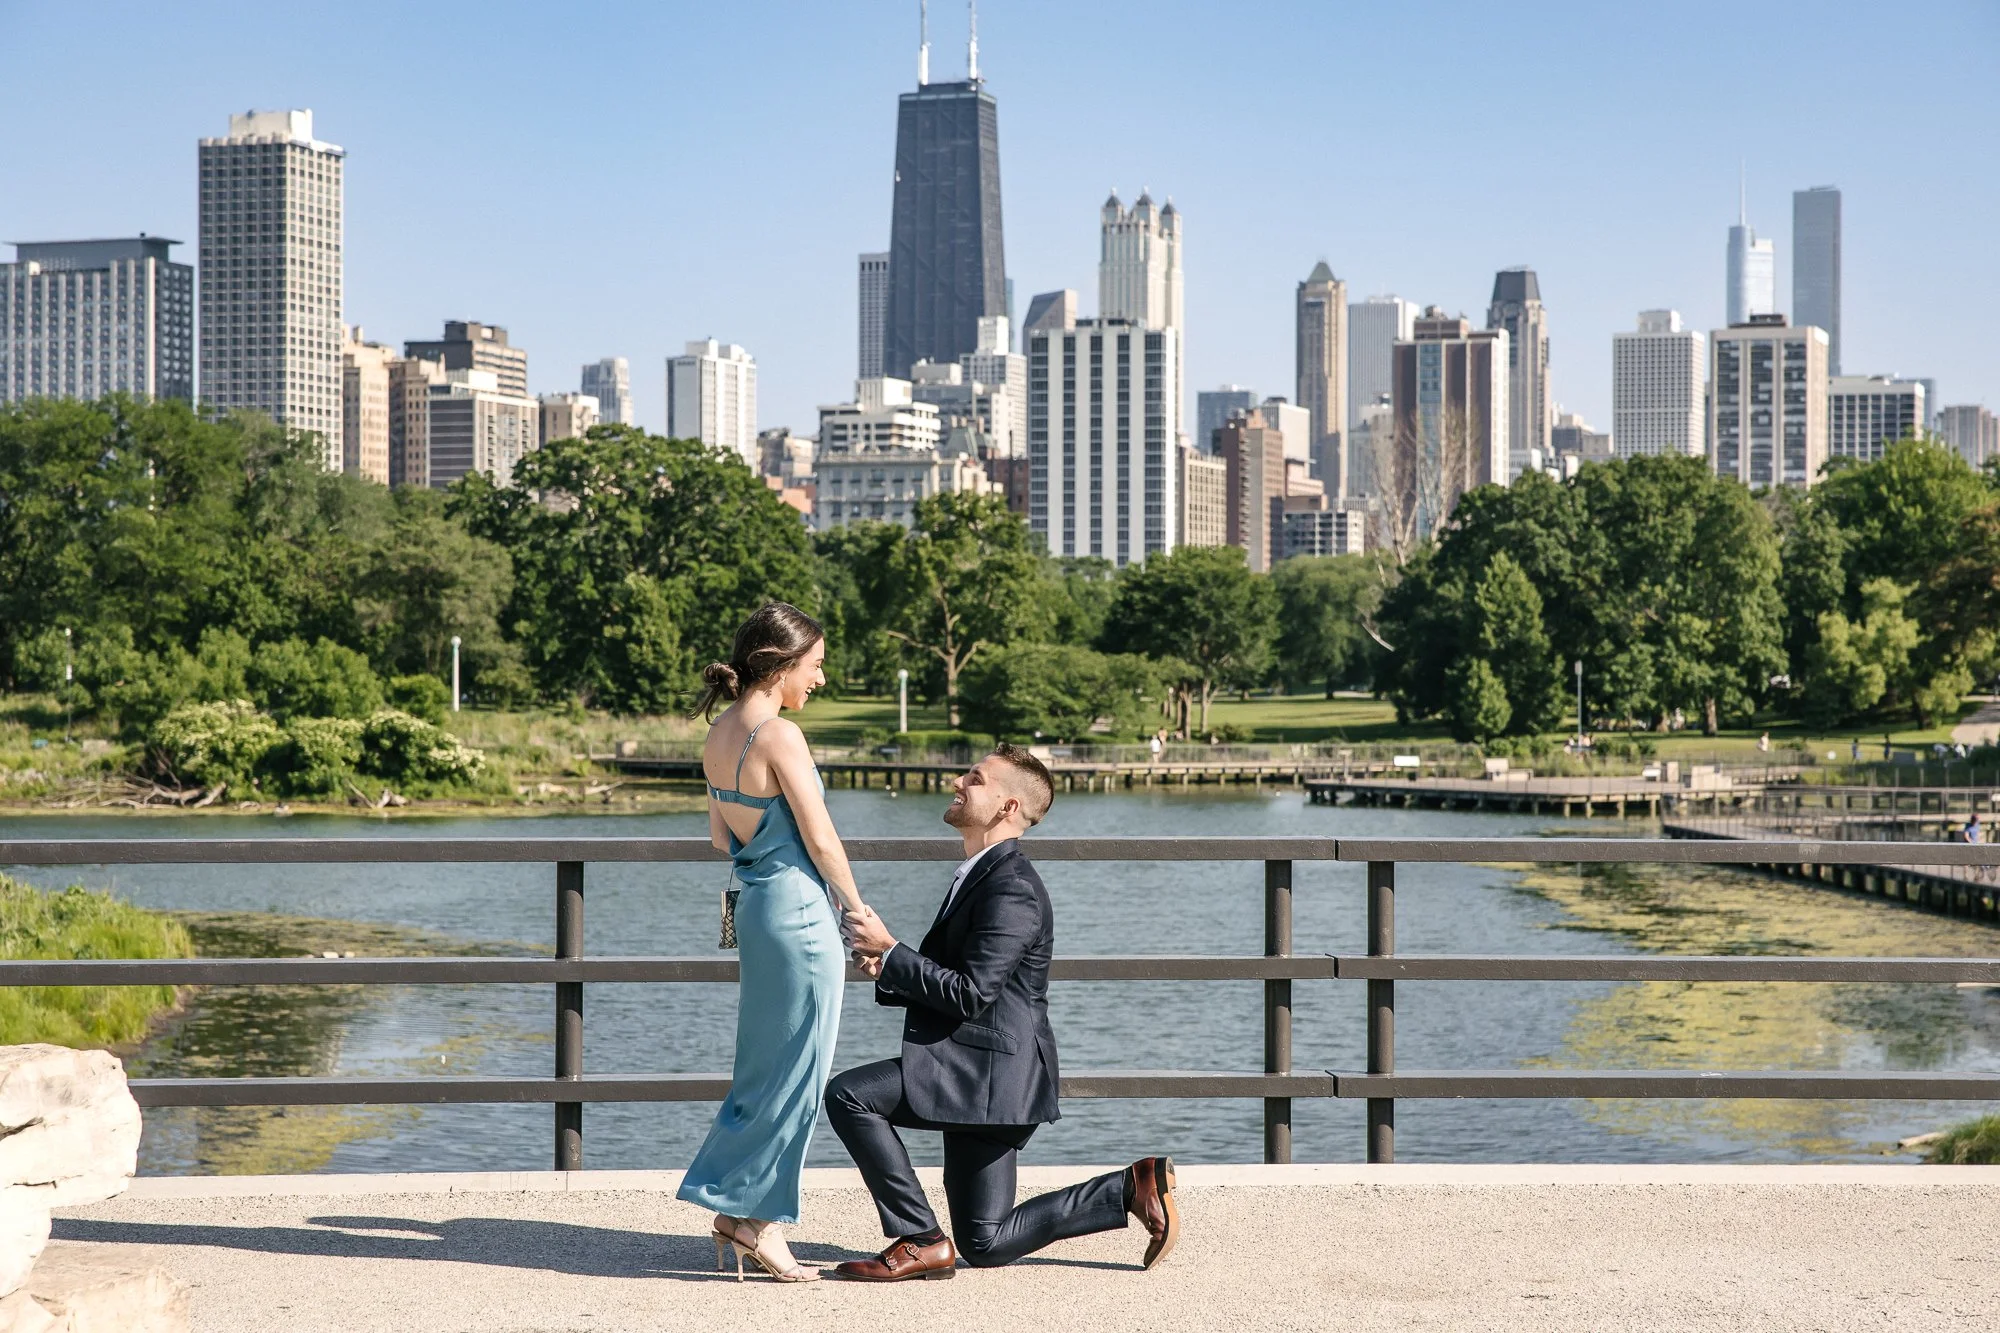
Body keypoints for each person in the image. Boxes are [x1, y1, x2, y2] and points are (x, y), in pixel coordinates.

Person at [830, 744, 1180, 1280]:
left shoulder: (1010, 886)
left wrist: (894, 950)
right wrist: (892, 971)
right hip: (978, 1067)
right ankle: (1131, 1186)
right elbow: (971, 979)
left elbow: (972, 993)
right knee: (986, 1242)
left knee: (850, 1095)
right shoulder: (980, 872)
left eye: (974, 777)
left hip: (989, 1075)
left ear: (1007, 806)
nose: (959, 781)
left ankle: (920, 1238)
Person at [680, 603, 866, 1283]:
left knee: (765, 1065)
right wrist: (860, 911)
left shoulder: (719, 732)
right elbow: (821, 840)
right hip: (799, 917)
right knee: (800, 1073)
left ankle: (738, 1213)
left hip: (756, 910)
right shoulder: (779, 734)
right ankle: (758, 1224)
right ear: (781, 664)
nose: (820, 677)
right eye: (814, 665)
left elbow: (720, 839)